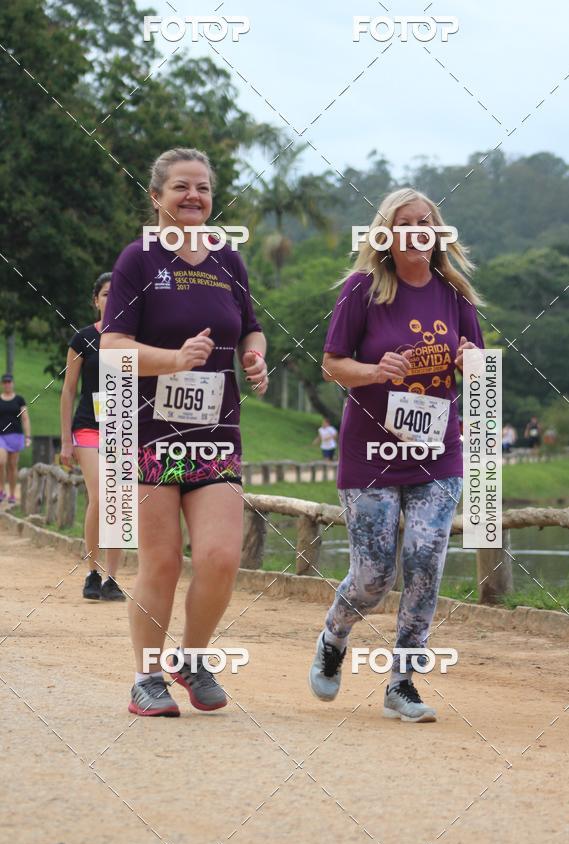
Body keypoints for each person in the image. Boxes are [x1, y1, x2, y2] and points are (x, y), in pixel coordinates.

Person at [102, 147, 267, 717]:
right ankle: (146, 678)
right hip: (149, 432)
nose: (193, 196)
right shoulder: (138, 260)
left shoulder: (227, 259)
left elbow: (250, 328)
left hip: (216, 433)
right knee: (163, 561)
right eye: (180, 187)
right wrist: (173, 360)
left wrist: (253, 357)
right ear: (157, 197)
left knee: (220, 556)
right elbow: (113, 346)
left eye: (202, 187)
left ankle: (192, 659)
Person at [308, 187, 484, 722]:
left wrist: (472, 362)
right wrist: (375, 371)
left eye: (425, 222)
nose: (416, 232)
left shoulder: (455, 295)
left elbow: (480, 376)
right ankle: (335, 635)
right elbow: (332, 364)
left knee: (425, 560)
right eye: (405, 223)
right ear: (386, 234)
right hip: (371, 453)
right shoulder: (362, 290)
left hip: (437, 453)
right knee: (374, 575)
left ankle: (402, 682)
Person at [60, 274, 125, 601]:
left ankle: (112, 578)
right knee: (101, 496)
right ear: (95, 300)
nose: (111, 299)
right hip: (88, 427)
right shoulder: (83, 338)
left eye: (117, 293)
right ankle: (92, 572)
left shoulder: (135, 338)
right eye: (105, 294)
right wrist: (65, 440)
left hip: (124, 429)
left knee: (120, 502)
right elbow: (68, 390)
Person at [0, 374, 31, 505]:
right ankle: (1, 489)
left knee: (13, 466)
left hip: (16, 435)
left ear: (13, 383)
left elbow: (25, 418)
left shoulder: (19, 400)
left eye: (9, 382)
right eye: (5, 382)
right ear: (2, 384)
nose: (7, 384)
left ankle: (12, 493)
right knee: (1, 462)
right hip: (1, 436)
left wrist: (28, 436)